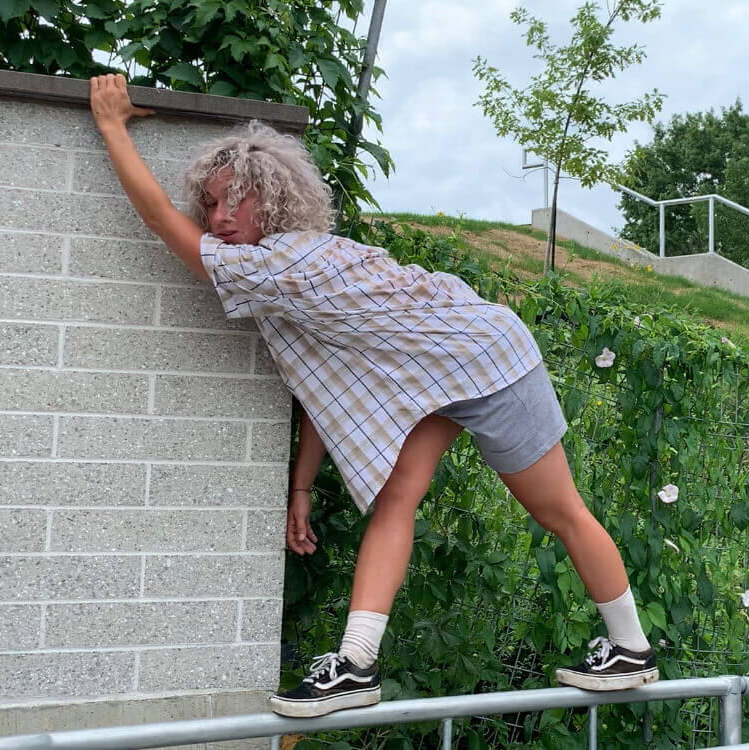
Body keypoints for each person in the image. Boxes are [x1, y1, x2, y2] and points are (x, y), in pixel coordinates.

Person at [89, 74, 658, 718]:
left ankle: (632, 648)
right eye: (212, 204)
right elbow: (325, 388)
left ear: (273, 202)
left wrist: (111, 125)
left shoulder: (277, 264)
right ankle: (356, 666)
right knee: (395, 497)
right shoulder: (279, 269)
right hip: (432, 374)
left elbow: (165, 224)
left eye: (235, 203)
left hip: (486, 357)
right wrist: (302, 486)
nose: (218, 219)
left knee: (559, 511)